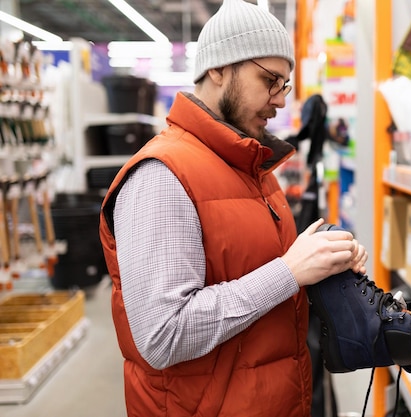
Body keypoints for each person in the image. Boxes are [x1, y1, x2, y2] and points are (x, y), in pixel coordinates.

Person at [98, 1, 368, 416]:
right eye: (269, 80)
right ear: (219, 69)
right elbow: (163, 335)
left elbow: (252, 277)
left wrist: (321, 268)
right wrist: (289, 271)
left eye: (285, 84)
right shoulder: (162, 176)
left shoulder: (254, 169)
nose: (279, 100)